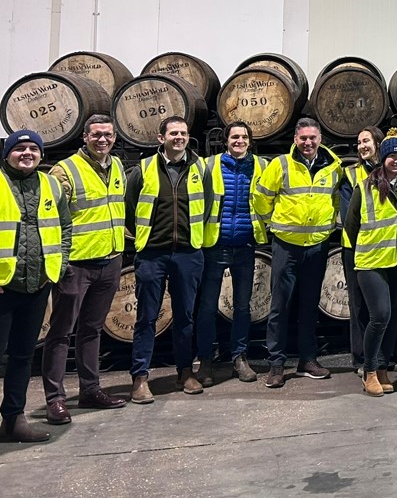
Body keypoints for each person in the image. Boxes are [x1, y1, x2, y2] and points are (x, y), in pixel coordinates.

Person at [42, 114, 126, 425]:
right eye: (96, 135)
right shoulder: (64, 171)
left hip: (110, 260)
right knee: (61, 332)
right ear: (85, 137)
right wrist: (60, 262)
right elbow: (49, 219)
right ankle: (55, 398)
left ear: (114, 137)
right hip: (76, 265)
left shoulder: (116, 166)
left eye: (107, 135)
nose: (102, 140)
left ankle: (90, 389)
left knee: (92, 330)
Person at [253, 118, 343, 389]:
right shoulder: (280, 165)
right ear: (295, 140)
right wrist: (273, 223)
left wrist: (328, 226)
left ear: (320, 139)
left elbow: (336, 199)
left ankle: (307, 360)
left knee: (309, 305)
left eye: (312, 138)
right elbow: (260, 197)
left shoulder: (333, 166)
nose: (308, 143)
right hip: (286, 246)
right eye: (303, 138)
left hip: (317, 246)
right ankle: (276, 365)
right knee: (280, 306)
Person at [123, 116, 209, 402]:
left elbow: (208, 205)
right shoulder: (143, 169)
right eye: (173, 133)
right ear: (161, 138)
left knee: (185, 317)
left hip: (188, 252)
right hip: (152, 254)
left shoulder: (201, 168)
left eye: (183, 132)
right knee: (147, 317)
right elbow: (130, 207)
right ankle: (140, 378)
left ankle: (185, 372)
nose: (179, 137)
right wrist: (145, 237)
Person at [0, 131, 69, 442]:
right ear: (7, 153)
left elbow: (65, 225)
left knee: (22, 356)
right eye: (20, 148)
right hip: (4, 285)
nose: (27, 153)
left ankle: (14, 420)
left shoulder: (50, 184)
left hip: (37, 283)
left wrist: (59, 265)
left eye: (33, 149)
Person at [344, 130, 397, 396]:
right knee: (380, 315)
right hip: (372, 261)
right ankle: (370, 370)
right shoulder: (365, 187)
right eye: (393, 156)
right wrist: (368, 249)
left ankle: (384, 367)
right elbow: (351, 226)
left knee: (393, 318)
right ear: (383, 157)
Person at [194, 122, 266, 386]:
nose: (240, 141)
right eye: (235, 136)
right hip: (215, 244)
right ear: (226, 140)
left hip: (245, 244)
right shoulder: (208, 165)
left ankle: (239, 358)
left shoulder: (261, 165)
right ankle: (205, 360)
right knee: (207, 308)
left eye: (244, 136)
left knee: (242, 307)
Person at [338, 126, 382, 375]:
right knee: (359, 305)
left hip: (386, 248)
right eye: (359, 142)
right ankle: (361, 359)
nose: (362, 146)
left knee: (385, 306)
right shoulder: (350, 174)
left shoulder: (392, 169)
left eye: (366, 141)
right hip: (356, 247)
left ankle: (388, 355)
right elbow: (348, 216)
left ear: (378, 142)